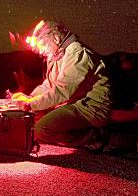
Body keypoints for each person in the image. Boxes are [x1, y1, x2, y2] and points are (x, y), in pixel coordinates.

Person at [8, 20, 112, 151]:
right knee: (33, 119)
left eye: (43, 43)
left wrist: (30, 104)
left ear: (56, 38)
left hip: (90, 109)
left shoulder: (77, 53)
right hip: (74, 103)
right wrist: (29, 97)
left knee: (42, 129)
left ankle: (95, 136)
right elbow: (50, 85)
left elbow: (62, 90)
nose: (40, 50)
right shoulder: (58, 53)